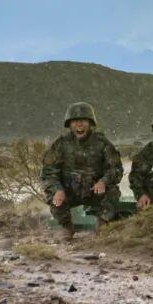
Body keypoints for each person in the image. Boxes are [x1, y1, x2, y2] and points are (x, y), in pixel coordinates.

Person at [40, 102, 123, 239]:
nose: (79, 125)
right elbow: (48, 172)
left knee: (113, 192)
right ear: (69, 124)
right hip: (69, 191)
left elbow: (116, 168)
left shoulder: (102, 143)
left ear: (90, 123)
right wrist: (57, 189)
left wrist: (104, 181)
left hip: (94, 191)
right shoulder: (61, 144)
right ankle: (67, 227)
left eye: (83, 121)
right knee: (52, 195)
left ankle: (101, 226)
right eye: (75, 121)